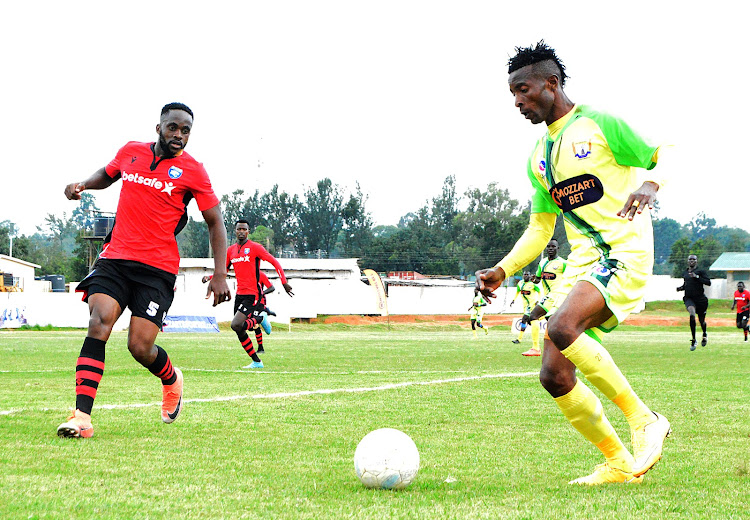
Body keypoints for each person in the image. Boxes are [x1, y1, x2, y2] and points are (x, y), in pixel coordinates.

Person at [476, 41, 671, 485]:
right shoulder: (538, 159)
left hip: (623, 253)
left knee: (562, 328)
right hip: (582, 265)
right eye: (513, 95)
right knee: (554, 374)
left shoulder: (599, 124)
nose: (518, 102)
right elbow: (539, 231)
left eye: (523, 90)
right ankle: (620, 463)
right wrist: (502, 269)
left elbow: (664, 151)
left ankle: (646, 421)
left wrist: (652, 185)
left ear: (552, 83)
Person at [58, 102, 231, 439]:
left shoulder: (194, 171)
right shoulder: (131, 152)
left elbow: (215, 223)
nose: (179, 135)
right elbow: (107, 175)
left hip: (156, 270)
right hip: (116, 258)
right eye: (173, 128)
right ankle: (81, 417)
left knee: (139, 347)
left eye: (185, 131)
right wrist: (82, 185)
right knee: (99, 322)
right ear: (159, 128)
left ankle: (171, 379)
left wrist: (221, 274)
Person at [220, 220, 293, 369]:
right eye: (238, 229)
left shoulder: (255, 248)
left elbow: (274, 262)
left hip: (253, 295)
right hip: (239, 294)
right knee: (238, 328)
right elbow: (224, 270)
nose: (241, 231)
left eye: (244, 229)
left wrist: (284, 281)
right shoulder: (231, 251)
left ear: (248, 232)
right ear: (235, 231)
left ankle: (260, 317)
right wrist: (211, 279)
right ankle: (257, 361)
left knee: (236, 324)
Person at [202, 268, 277, 354]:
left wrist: (260, 293)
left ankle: (260, 347)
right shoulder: (243, 272)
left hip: (258, 302)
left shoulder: (260, 274)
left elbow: (272, 288)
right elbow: (225, 274)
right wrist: (209, 277)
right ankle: (263, 317)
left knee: (253, 325)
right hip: (246, 302)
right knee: (243, 325)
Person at [521, 238, 567, 357]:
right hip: (548, 295)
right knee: (551, 321)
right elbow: (537, 279)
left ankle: (536, 348)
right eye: (548, 247)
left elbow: (572, 277)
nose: (550, 249)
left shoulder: (563, 263)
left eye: (553, 247)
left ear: (558, 248)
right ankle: (562, 348)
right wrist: (533, 279)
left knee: (534, 316)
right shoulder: (542, 263)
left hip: (556, 295)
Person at [676, 254, 711, 351]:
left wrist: (697, 277)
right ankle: (694, 339)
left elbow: (708, 282)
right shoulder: (685, 273)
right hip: (689, 298)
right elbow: (686, 284)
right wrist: (681, 288)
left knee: (701, 321)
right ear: (687, 261)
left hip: (700, 300)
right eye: (690, 259)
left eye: (693, 259)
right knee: (692, 315)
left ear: (696, 261)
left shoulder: (701, 271)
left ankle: (704, 334)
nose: (692, 261)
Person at [509, 271, 541, 348]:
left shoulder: (532, 285)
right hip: (525, 306)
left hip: (531, 305)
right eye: (524, 274)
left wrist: (538, 300)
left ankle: (519, 339)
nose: (525, 276)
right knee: (530, 322)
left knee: (524, 320)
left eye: (527, 275)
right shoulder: (520, 283)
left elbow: (539, 292)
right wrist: (513, 300)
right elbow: (517, 292)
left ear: (529, 276)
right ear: (523, 276)